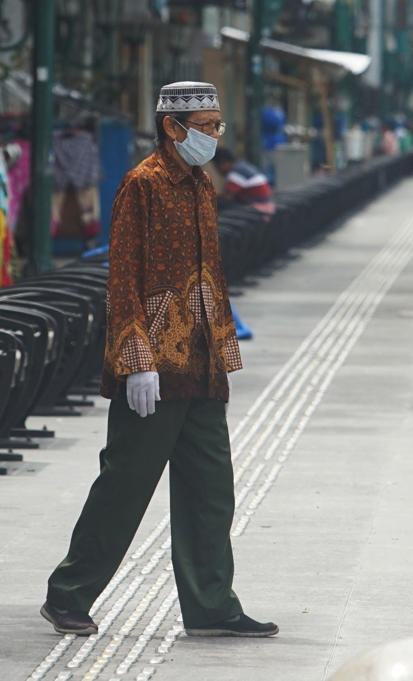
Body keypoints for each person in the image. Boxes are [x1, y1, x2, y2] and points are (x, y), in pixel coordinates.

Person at [40, 81, 276, 639]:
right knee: (125, 484)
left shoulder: (201, 184)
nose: (214, 136)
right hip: (153, 365)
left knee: (211, 489)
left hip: (200, 363)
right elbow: (122, 277)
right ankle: (68, 594)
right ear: (173, 127)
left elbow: (211, 273)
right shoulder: (141, 185)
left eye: (217, 125)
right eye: (206, 126)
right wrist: (135, 358)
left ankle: (212, 605)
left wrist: (222, 347)